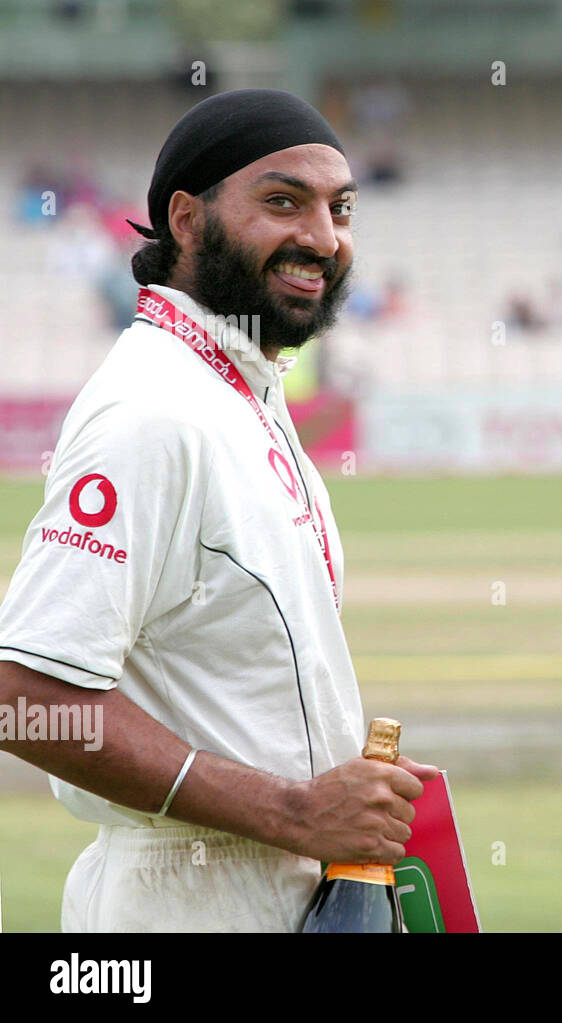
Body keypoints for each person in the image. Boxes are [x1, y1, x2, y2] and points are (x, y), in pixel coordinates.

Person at [0, 90, 438, 932]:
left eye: (340, 208)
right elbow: (25, 694)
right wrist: (294, 808)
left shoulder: (238, 393)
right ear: (187, 220)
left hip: (277, 889)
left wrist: (330, 784)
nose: (323, 236)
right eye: (284, 201)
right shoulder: (152, 410)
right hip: (181, 900)